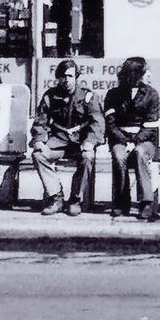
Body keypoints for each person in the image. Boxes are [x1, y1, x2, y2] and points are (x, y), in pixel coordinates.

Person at [29, 55, 102, 215]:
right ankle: (56, 197)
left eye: (70, 76)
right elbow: (41, 122)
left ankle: (75, 199)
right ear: (58, 78)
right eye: (63, 76)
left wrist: (90, 141)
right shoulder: (50, 96)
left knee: (88, 157)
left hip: (80, 143)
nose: (66, 80)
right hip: (59, 141)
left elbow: (97, 122)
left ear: (76, 77)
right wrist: (39, 139)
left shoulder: (88, 97)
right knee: (39, 155)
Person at [104, 55, 160, 220]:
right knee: (118, 155)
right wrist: (125, 141)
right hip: (120, 138)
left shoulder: (152, 94)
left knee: (139, 153)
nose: (148, 74)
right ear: (135, 73)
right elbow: (111, 124)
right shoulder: (113, 94)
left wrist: (135, 141)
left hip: (145, 140)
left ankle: (146, 203)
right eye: (145, 71)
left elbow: (150, 126)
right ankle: (122, 202)